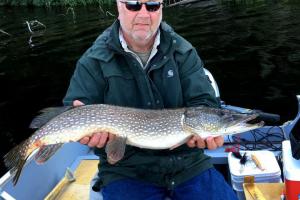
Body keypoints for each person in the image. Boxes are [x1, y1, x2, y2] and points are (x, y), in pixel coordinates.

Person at [63, 0, 238, 199]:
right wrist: (85, 131)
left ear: (161, 8)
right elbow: (75, 108)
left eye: (153, 5)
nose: (144, 14)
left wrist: (209, 131)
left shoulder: (183, 51)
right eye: (133, 5)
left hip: (187, 163)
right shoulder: (94, 60)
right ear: (118, 6)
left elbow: (205, 102)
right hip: (125, 170)